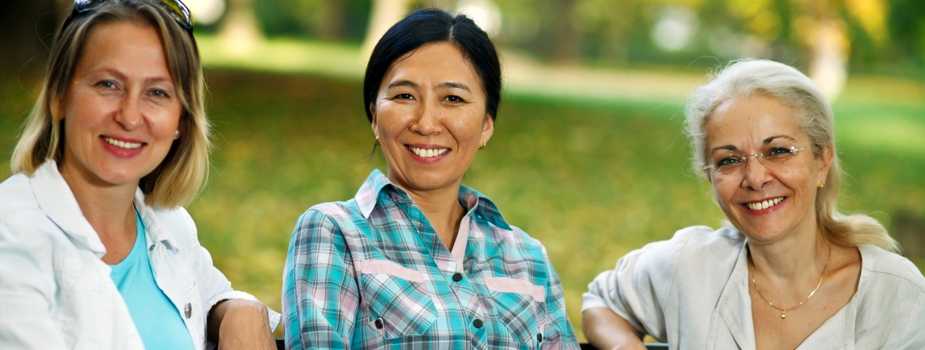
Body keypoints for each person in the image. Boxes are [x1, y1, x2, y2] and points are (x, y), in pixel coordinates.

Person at [282, 8, 579, 349]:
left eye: (453, 99)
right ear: (375, 116)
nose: (425, 123)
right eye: (404, 96)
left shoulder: (529, 259)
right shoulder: (334, 232)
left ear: (486, 125)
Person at [582, 59, 925, 349]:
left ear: (822, 160)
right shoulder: (690, 266)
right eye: (729, 160)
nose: (755, 178)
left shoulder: (894, 293)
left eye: (778, 151)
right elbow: (602, 302)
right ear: (710, 176)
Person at [0, 1, 278, 349]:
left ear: (181, 120)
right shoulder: (12, 236)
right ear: (58, 96)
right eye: (108, 84)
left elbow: (209, 295)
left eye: (157, 92)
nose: (130, 117)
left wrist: (240, 310)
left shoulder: (167, 224)